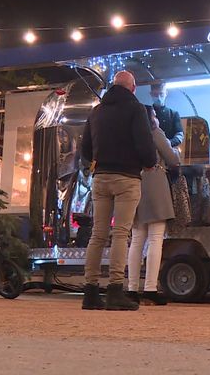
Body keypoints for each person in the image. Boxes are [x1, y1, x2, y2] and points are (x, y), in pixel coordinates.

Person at [81, 70, 157, 311]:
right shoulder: (137, 110)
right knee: (121, 234)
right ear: (132, 88)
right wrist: (149, 162)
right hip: (127, 178)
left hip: (100, 177)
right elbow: (145, 144)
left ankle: (90, 292)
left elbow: (85, 149)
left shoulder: (96, 111)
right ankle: (115, 290)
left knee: (98, 234)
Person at [127, 106, 180, 306]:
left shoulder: (129, 135)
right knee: (156, 238)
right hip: (155, 185)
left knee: (137, 240)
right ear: (150, 118)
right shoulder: (154, 133)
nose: (157, 118)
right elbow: (172, 158)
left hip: (134, 185)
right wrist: (160, 131)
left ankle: (132, 288)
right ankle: (150, 288)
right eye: (155, 115)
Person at [148, 82, 184, 147]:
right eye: (155, 95)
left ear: (166, 93)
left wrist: (169, 143)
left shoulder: (173, 114)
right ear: (151, 94)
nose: (158, 98)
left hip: (169, 149)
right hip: (151, 150)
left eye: (161, 94)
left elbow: (180, 135)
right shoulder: (146, 113)